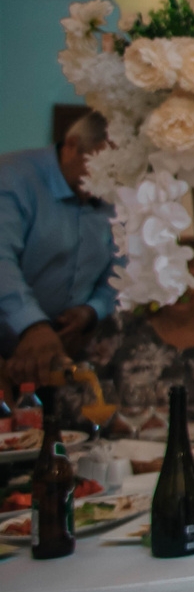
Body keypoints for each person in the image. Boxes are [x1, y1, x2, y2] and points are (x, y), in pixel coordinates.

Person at [42, 238, 194, 438]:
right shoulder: (119, 330)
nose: (182, 287)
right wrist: (120, 423)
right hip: (125, 449)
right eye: (173, 276)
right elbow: (68, 398)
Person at [0, 111, 118, 387]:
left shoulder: (111, 193)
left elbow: (121, 268)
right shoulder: (13, 177)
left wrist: (91, 311)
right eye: (101, 167)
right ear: (72, 145)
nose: (107, 180)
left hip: (67, 356)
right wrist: (33, 326)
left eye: (115, 172)